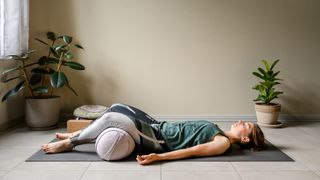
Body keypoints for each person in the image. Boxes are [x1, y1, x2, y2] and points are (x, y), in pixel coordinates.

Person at [41, 103, 266, 165]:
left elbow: (191, 152)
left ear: (245, 138)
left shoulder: (222, 143)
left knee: (111, 118)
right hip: (157, 125)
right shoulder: (218, 130)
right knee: (118, 106)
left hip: (158, 140)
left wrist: (159, 157)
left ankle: (71, 142)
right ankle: (81, 133)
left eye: (246, 124)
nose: (240, 121)